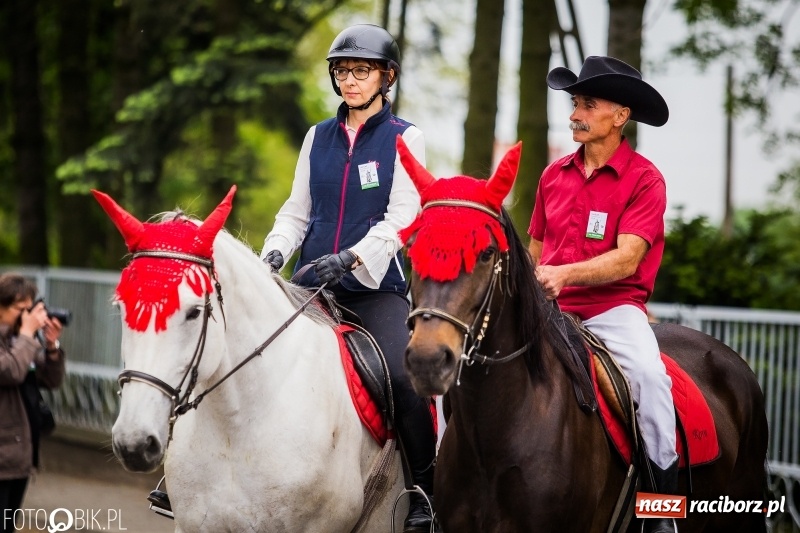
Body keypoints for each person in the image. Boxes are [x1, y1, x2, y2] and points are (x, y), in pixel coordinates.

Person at [260, 24, 437, 533]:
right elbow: (296, 212)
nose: (350, 81)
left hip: (375, 289)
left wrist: (353, 258)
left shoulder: (406, 137)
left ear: (387, 77)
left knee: (406, 378)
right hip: (310, 280)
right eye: (342, 71)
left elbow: (404, 217)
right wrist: (273, 254)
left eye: (362, 71)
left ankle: (425, 491)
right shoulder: (317, 136)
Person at [527, 56, 677, 533]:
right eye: (574, 103)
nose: (575, 113)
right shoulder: (552, 175)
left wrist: (564, 275)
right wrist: (539, 281)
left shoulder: (645, 178)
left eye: (588, 105)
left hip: (613, 312)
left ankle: (661, 512)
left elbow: (628, 258)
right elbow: (535, 249)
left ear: (620, 116)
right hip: (548, 310)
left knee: (652, 382)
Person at [0, 274, 65, 533]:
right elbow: (10, 371)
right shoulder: (20, 340)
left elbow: (50, 379)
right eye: (21, 310)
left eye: (31, 309)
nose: (28, 317)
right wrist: (28, 334)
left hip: (18, 459)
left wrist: (51, 346)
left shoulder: (20, 341)